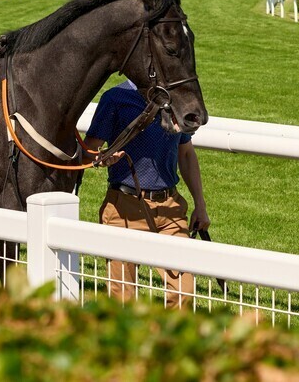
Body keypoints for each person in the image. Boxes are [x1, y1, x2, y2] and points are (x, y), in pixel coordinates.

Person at [83, 79, 210, 308]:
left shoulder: (174, 99)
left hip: (170, 210)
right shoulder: (115, 98)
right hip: (123, 210)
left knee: (184, 292)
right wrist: (104, 159)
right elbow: (89, 152)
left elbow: (186, 153)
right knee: (123, 300)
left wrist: (200, 205)